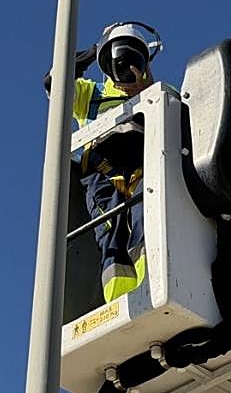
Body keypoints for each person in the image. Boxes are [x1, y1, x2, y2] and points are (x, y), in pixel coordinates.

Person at [46, 22, 155, 302]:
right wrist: (96, 48)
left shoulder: (157, 94)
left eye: (133, 59)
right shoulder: (90, 96)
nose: (125, 68)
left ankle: (149, 284)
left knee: (149, 214)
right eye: (117, 59)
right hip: (102, 175)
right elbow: (54, 81)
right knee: (111, 223)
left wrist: (148, 91)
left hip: (146, 172)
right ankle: (118, 297)